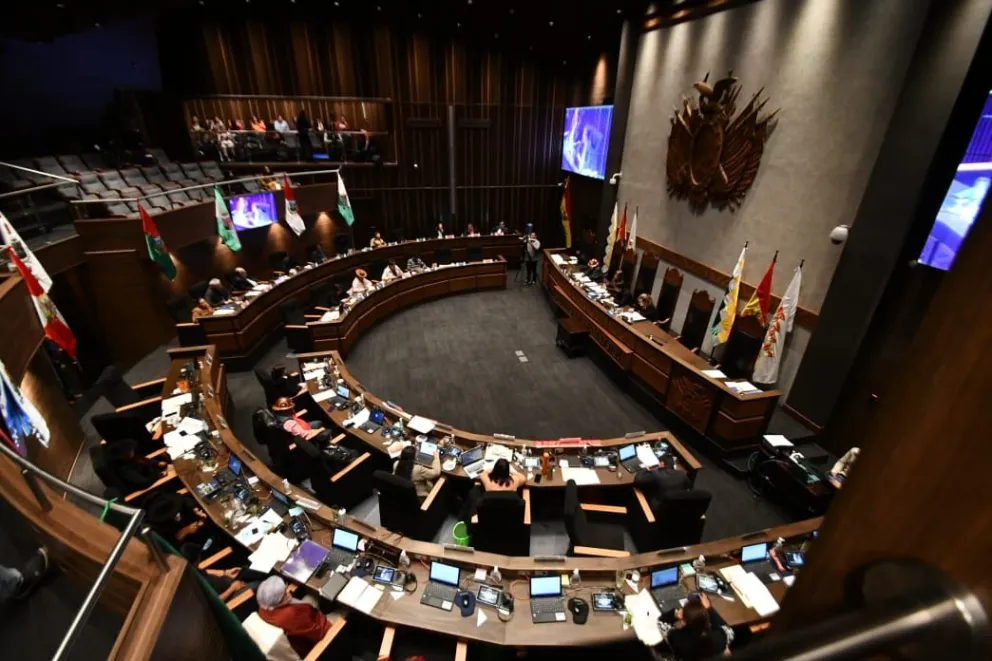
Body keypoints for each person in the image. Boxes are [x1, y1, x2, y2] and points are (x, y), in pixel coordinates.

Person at [256, 576, 332, 657]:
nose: (288, 592)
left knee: (312, 596)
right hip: (315, 637)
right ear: (278, 602)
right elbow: (318, 632)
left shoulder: (263, 607)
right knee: (342, 612)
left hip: (300, 623)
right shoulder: (292, 615)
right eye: (285, 594)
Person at [659, 593, 733, 660]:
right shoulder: (720, 638)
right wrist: (709, 609)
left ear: (683, 621)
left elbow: (661, 623)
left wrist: (674, 614)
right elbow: (728, 630)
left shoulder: (677, 637)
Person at [459, 458, 527, 523]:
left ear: (495, 470)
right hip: (508, 513)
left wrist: (491, 470)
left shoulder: (487, 481)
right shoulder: (514, 481)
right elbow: (524, 478)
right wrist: (512, 472)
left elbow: (482, 474)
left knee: (474, 490)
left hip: (489, 512)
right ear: (507, 472)